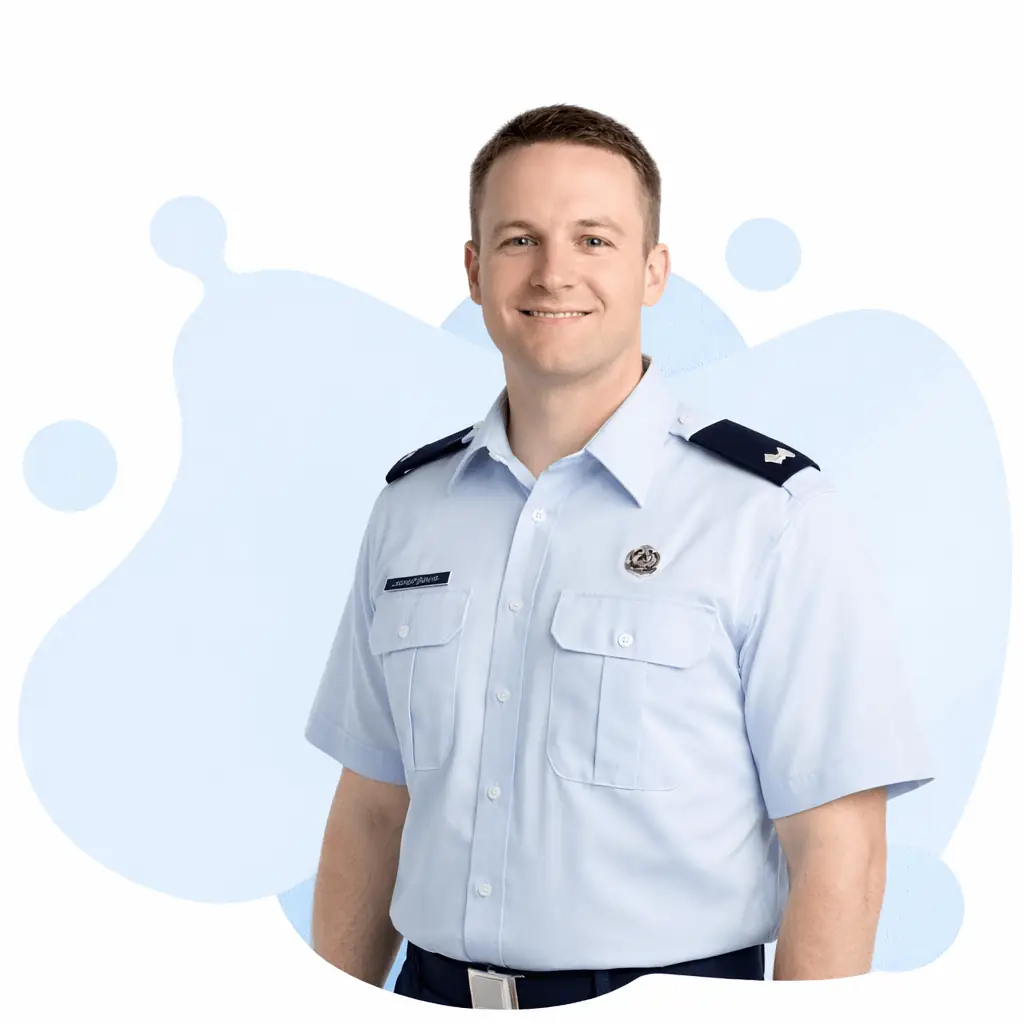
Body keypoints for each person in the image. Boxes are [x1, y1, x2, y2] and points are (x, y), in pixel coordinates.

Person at [303, 103, 936, 1008]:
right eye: (519, 239)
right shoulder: (411, 510)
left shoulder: (767, 514)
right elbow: (372, 811)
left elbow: (842, 845)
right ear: (475, 271)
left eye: (593, 239)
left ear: (653, 271)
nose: (554, 271)